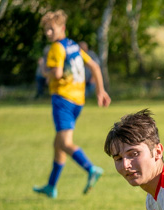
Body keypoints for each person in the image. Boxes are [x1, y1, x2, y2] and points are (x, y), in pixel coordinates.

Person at [33, 10, 111, 199]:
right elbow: (94, 66)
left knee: (65, 143)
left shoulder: (56, 48)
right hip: (78, 100)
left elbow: (57, 73)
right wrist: (100, 90)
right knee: (58, 143)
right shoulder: (73, 46)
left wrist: (44, 70)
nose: (48, 33)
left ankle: (90, 168)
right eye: (46, 30)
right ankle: (51, 186)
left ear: (62, 28)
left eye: (51, 29)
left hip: (63, 99)